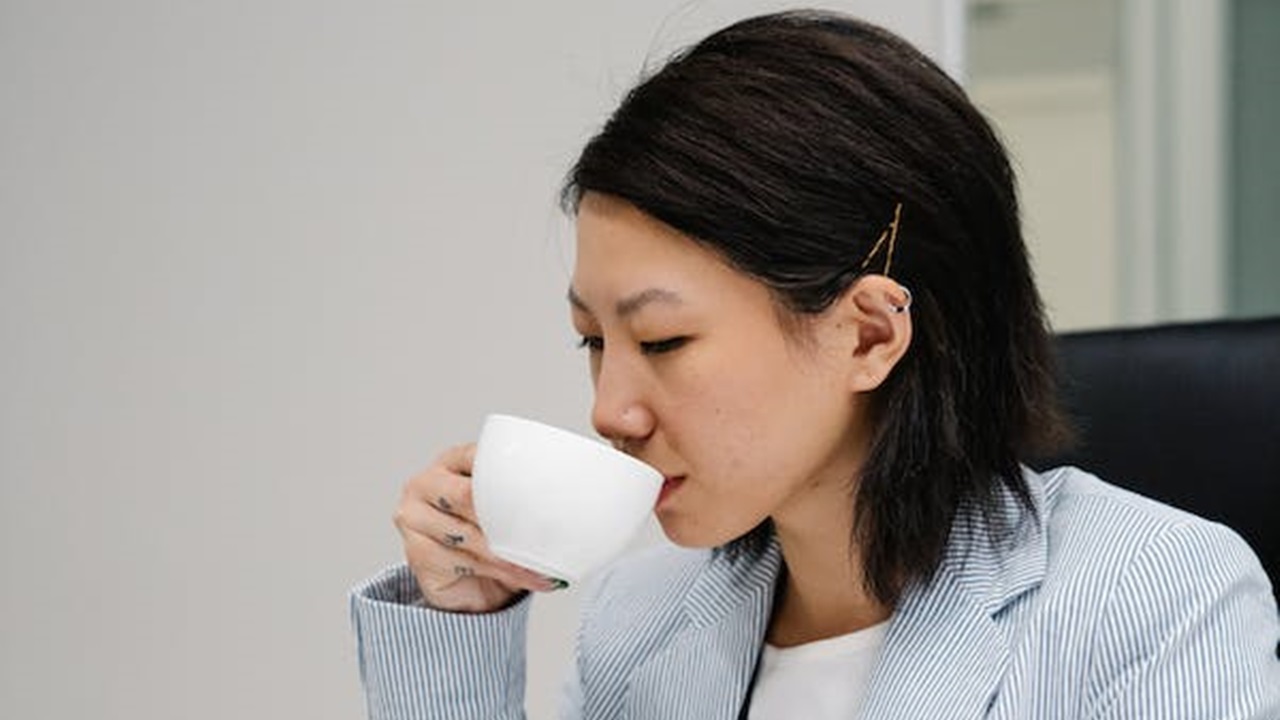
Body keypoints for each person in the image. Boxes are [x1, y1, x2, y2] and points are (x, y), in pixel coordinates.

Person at [350, 10, 1280, 719]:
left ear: (870, 334)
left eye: (664, 342)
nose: (612, 410)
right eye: (596, 342)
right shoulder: (640, 621)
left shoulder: (1153, 600)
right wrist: (461, 631)